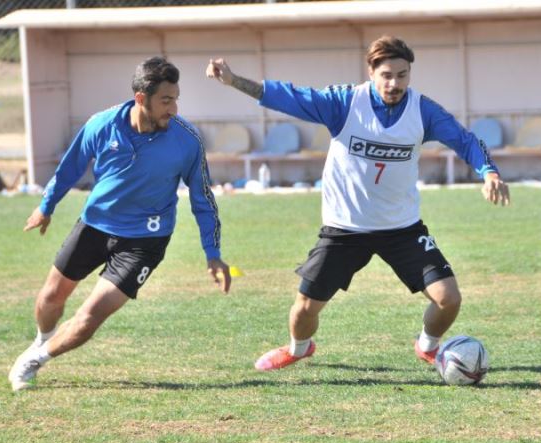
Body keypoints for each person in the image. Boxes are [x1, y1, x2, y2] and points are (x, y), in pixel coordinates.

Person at [206, 35, 509, 372]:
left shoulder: (422, 110)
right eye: (387, 75)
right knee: (305, 308)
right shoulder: (345, 103)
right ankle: (298, 348)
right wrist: (234, 81)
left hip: (402, 228)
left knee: (449, 299)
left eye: (403, 75)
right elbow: (289, 97)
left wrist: (489, 172)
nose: (395, 83)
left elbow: (464, 140)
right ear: (371, 72)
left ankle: (427, 345)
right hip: (344, 228)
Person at [9, 56, 230, 391]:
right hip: (95, 225)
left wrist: (212, 252)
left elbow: (203, 199)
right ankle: (42, 340)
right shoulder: (102, 125)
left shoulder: (187, 139)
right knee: (50, 298)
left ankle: (35, 360)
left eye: (176, 99)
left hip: (145, 241)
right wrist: (46, 207)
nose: (173, 108)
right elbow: (70, 168)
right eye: (166, 100)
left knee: (87, 320)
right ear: (141, 98)